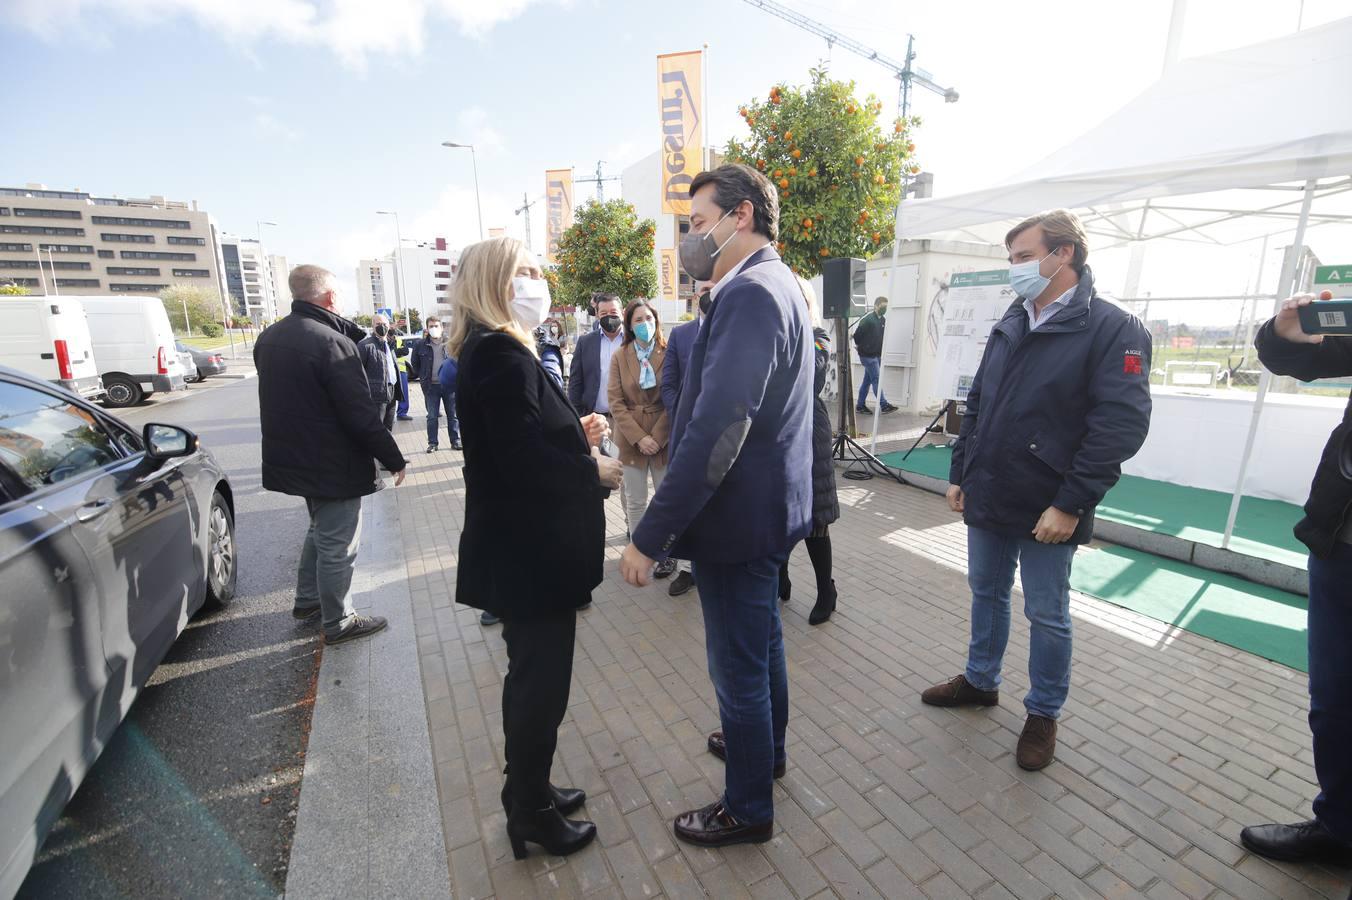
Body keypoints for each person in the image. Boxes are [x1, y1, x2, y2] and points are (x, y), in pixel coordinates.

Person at [620, 163, 813, 848]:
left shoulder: (754, 293)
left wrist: (650, 535)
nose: (691, 239)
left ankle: (747, 807)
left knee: (737, 673)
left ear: (742, 217)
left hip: (737, 522)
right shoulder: (773, 286)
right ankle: (766, 753)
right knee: (761, 649)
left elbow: (716, 429)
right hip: (764, 513)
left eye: (698, 224)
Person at [920, 209, 1153, 771]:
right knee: (987, 592)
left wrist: (1071, 503)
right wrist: (961, 471)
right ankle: (981, 680)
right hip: (990, 489)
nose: (1015, 270)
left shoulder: (1113, 327)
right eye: (1013, 260)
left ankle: (1043, 713)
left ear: (1063, 253)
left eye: (1024, 257)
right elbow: (979, 401)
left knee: (1047, 613)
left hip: (1051, 502)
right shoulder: (1015, 316)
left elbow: (1120, 426)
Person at [448, 236, 622, 860]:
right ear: (494, 282)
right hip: (531, 554)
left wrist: (574, 432)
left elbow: (515, 441)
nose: (536, 282)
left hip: (527, 551)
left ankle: (529, 789)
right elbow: (519, 462)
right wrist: (591, 470)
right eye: (523, 272)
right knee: (539, 688)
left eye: (538, 272)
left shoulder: (499, 349)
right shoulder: (500, 353)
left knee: (533, 680)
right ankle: (531, 811)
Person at [1240, 293, 1352, 867]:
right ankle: (1339, 825)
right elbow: (1300, 360)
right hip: (1343, 541)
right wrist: (1285, 333)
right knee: (1333, 699)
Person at [254, 264, 405, 645]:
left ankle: (308, 601)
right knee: (339, 543)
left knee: (318, 529)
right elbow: (359, 414)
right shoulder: (331, 343)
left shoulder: (269, 337)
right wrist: (394, 458)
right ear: (330, 296)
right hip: (331, 463)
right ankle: (339, 622)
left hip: (295, 458)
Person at [779, 276, 840, 625]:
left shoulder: (819, 337)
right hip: (779, 434)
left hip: (809, 433)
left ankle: (825, 591)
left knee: (816, 520)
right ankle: (780, 579)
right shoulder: (775, 334)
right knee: (781, 516)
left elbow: (812, 380)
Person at [608, 300, 676, 579]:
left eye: (648, 318)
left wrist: (657, 437)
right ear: (629, 325)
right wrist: (639, 438)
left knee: (666, 499)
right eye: (638, 319)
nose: (644, 324)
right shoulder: (620, 356)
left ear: (656, 321)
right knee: (635, 501)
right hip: (630, 439)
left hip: (664, 436)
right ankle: (641, 553)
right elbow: (615, 401)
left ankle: (669, 556)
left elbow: (674, 396)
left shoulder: (669, 351)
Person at [660, 280, 714, 597]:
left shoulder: (734, 331)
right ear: (695, 296)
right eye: (705, 287)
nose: (710, 292)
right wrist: (682, 415)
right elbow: (669, 384)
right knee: (686, 500)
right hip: (688, 433)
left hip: (724, 436)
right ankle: (685, 568)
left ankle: (711, 563)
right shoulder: (680, 335)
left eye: (716, 286)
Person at [568, 293, 624, 418]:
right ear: (597, 315)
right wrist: (579, 416)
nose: (609, 316)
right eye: (604, 313)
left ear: (623, 313)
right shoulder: (585, 342)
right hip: (595, 420)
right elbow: (575, 383)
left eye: (613, 312)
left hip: (629, 421)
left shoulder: (633, 341)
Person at [409, 316, 460, 453]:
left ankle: (455, 440)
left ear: (442, 328)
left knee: (453, 415)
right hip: (431, 387)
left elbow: (458, 360)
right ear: (427, 328)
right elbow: (415, 364)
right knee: (432, 417)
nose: (434, 328)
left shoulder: (451, 343)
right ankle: (433, 443)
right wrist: (423, 376)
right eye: (431, 326)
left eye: (436, 326)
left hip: (449, 386)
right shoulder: (420, 344)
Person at [358, 313, 402, 431]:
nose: (381, 326)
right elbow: (358, 373)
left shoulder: (389, 344)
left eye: (384, 324)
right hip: (376, 395)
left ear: (389, 326)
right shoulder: (365, 346)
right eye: (378, 324)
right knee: (376, 429)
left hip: (391, 391)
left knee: (389, 426)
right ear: (373, 326)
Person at [853, 296, 896, 415]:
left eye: (886, 306)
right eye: (883, 306)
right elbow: (856, 336)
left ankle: (860, 406)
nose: (884, 308)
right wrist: (864, 347)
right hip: (868, 357)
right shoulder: (867, 320)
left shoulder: (882, 320)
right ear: (876, 306)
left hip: (877, 356)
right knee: (876, 379)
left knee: (867, 381)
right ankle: (884, 405)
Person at [394, 320, 414, 421]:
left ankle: (402, 412)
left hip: (401, 369)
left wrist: (396, 352)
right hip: (390, 370)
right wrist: (397, 352)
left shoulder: (398, 337)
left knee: (404, 392)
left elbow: (405, 350)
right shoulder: (384, 338)